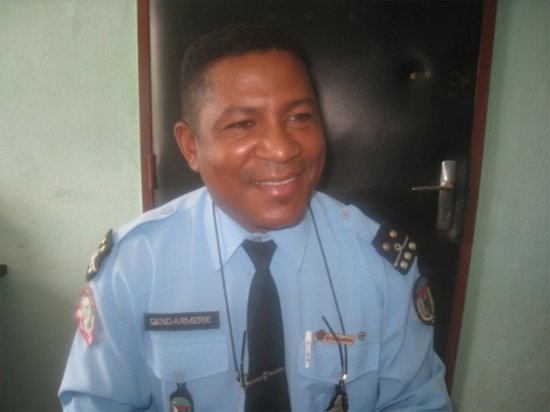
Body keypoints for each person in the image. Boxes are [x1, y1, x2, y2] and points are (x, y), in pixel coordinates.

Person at [59, 24, 451, 411]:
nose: (282, 149)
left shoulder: (378, 266)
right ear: (191, 146)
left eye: (300, 116)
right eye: (242, 124)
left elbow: (416, 403)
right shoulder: (134, 266)